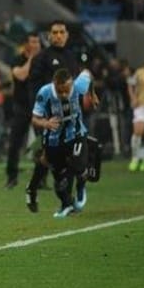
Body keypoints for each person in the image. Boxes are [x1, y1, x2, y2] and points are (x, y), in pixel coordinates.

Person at [25, 20, 93, 212]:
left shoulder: (71, 57)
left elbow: (81, 82)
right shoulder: (41, 58)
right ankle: (40, 191)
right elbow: (34, 90)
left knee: (69, 160)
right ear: (49, 36)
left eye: (62, 32)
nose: (58, 36)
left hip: (71, 119)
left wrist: (87, 99)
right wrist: (40, 119)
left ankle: (66, 200)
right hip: (50, 121)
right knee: (51, 161)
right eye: (54, 32)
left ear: (67, 35)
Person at [31, 68, 93, 218]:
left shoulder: (79, 85)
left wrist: (92, 94)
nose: (64, 94)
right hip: (55, 140)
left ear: (71, 84)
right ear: (54, 84)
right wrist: (46, 123)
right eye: (60, 91)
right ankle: (66, 205)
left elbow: (87, 73)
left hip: (77, 134)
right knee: (59, 178)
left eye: (67, 90)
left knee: (78, 165)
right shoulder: (45, 92)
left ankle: (81, 186)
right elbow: (35, 118)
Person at [5, 33, 41, 188]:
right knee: (15, 143)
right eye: (33, 42)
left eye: (38, 42)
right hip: (21, 107)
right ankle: (11, 177)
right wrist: (32, 59)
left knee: (42, 142)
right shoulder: (17, 60)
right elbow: (21, 76)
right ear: (26, 44)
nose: (36, 45)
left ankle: (41, 178)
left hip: (38, 108)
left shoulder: (43, 61)